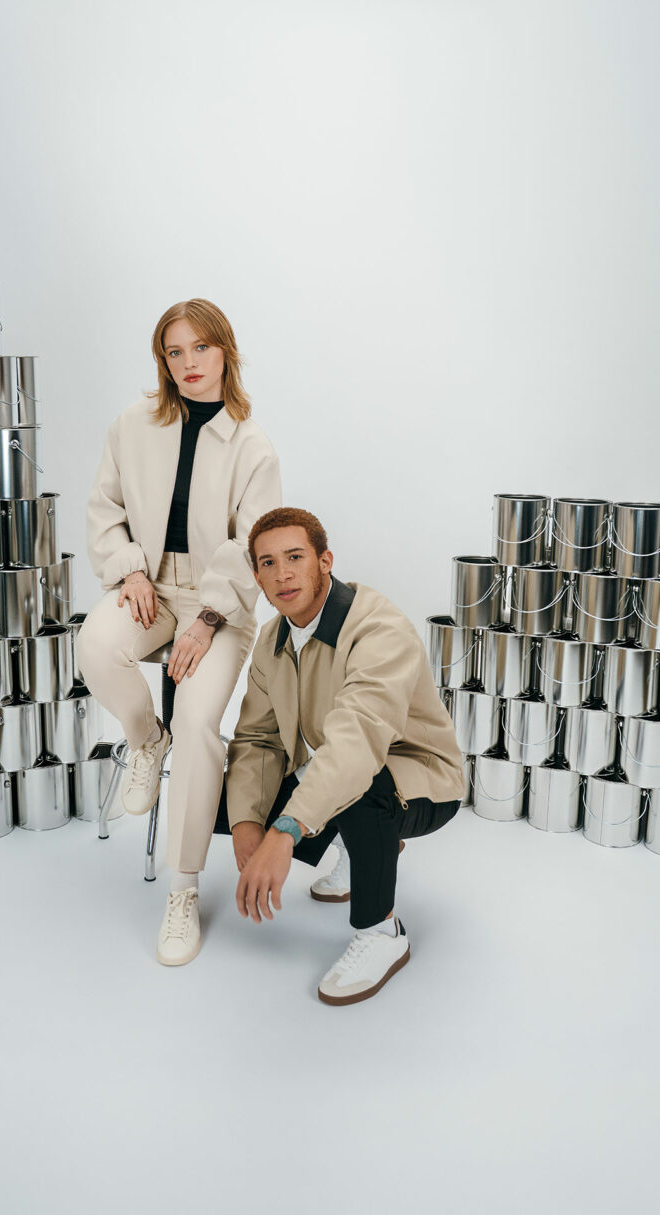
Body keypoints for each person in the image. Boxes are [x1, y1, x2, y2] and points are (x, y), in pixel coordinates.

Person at [78, 299, 281, 966]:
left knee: (197, 719)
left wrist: (209, 617)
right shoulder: (131, 425)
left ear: (225, 351)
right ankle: (144, 738)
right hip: (150, 587)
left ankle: (184, 888)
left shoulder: (252, 446)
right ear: (162, 360)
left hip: (218, 602)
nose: (189, 363)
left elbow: (255, 544)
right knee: (96, 644)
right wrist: (127, 569)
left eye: (201, 348)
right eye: (175, 351)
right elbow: (105, 506)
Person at [223, 507, 465, 1005]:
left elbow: (357, 742)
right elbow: (257, 740)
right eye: (267, 563)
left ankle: (383, 933)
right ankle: (360, 853)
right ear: (257, 577)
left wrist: (285, 831)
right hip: (342, 763)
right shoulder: (272, 640)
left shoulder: (379, 628)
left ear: (325, 560)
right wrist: (249, 823)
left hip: (421, 780)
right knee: (231, 794)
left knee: (360, 786)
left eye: (295, 557)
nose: (283, 574)